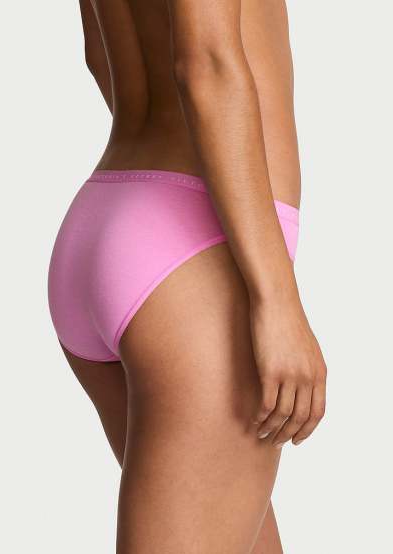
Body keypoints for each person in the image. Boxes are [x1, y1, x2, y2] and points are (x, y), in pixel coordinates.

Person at [48, 1, 327, 552]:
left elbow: (99, 52)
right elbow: (207, 64)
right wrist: (276, 298)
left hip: (110, 212)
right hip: (198, 255)